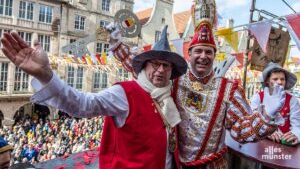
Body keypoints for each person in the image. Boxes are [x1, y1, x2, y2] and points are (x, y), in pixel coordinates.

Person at [110, 0, 286, 168]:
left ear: (214, 55)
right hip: (177, 163)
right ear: (189, 54)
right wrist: (117, 45)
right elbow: (147, 72)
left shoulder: (229, 90)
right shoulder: (175, 80)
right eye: (198, 51)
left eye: (208, 52)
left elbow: (240, 131)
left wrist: (265, 117)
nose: (203, 56)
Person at [0, 26, 187, 169]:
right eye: (155, 63)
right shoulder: (125, 92)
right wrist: (46, 75)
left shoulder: (170, 95)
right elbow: (83, 104)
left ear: (171, 71)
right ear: (144, 66)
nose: (161, 70)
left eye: (166, 66)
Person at [251, 62, 300, 145]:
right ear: (267, 80)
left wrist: (296, 134)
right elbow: (252, 121)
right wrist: (267, 131)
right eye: (275, 79)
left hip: (285, 145)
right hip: (261, 143)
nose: (280, 82)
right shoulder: (258, 97)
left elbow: (296, 125)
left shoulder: (292, 100)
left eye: (282, 79)